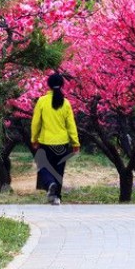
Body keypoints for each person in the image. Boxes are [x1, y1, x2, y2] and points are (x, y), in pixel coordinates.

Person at [29, 72, 80, 205]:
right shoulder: (66, 103)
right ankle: (56, 197)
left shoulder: (42, 101)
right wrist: (75, 142)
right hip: (62, 142)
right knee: (59, 169)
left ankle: (50, 183)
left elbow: (36, 123)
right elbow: (71, 125)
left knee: (43, 166)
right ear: (62, 85)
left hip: (46, 142)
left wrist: (34, 139)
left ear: (49, 85)